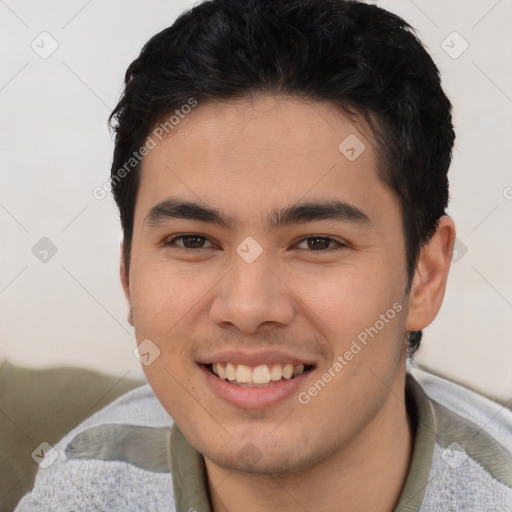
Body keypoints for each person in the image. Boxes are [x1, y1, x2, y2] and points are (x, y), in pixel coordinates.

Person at [15, 0, 512, 511]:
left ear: (425, 277)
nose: (248, 308)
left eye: (318, 242)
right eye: (192, 241)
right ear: (127, 276)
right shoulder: (85, 485)